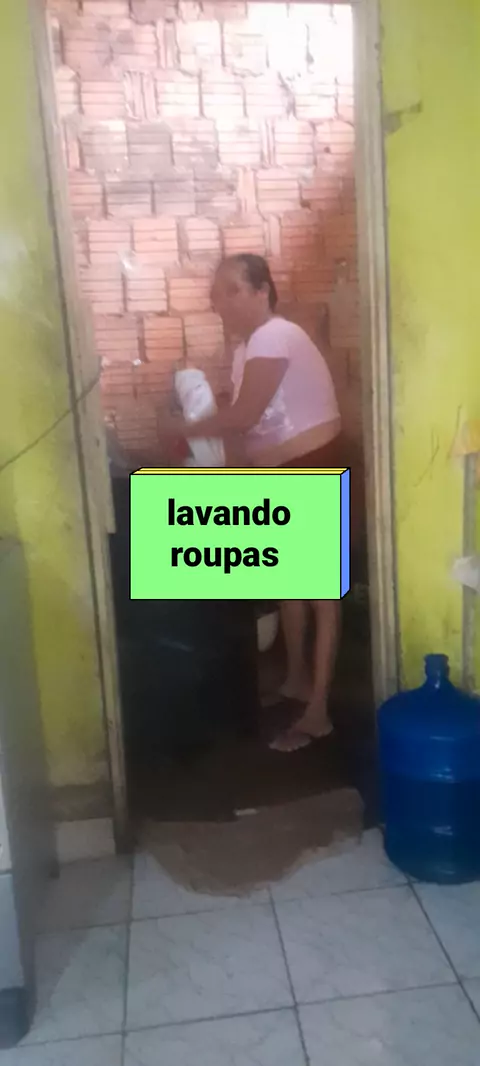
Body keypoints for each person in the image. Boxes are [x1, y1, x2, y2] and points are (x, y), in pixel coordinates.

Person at [159, 253, 349, 752]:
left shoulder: (274, 335)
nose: (219, 302)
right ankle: (296, 680)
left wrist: (183, 428)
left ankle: (319, 712)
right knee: (290, 581)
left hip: (311, 464)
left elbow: (242, 416)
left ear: (263, 291)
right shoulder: (247, 349)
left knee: (319, 591)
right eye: (215, 294)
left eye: (232, 291)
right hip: (286, 469)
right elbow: (247, 426)